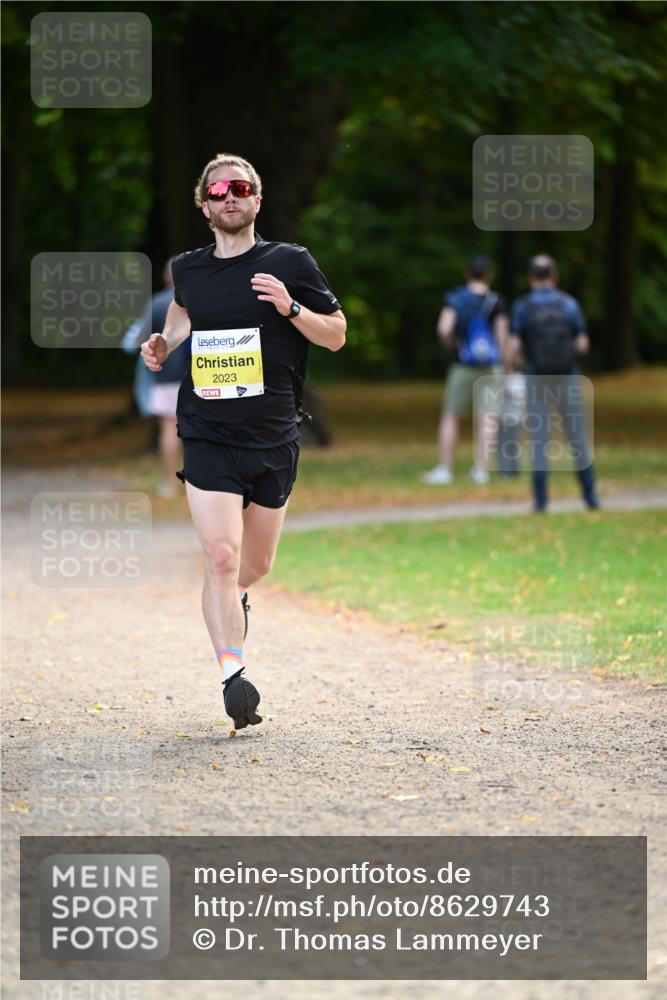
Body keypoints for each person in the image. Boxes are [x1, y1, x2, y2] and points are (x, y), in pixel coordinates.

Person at [141, 153, 345, 728]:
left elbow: (336, 336)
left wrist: (291, 306)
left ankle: (233, 600)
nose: (230, 196)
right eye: (219, 190)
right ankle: (234, 674)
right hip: (207, 432)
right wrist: (164, 343)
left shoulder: (290, 262)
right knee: (221, 556)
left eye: (241, 187)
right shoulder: (188, 268)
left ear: (258, 198)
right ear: (204, 204)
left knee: (254, 564)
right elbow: (182, 316)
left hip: (274, 435)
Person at [509, 254, 599, 513]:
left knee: (539, 438)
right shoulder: (569, 304)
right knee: (577, 436)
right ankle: (590, 497)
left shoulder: (523, 306)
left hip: (536, 377)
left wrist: (517, 365)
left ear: (530, 277)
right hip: (567, 376)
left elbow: (514, 346)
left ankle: (540, 501)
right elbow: (582, 343)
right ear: (554, 276)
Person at [423, 254, 509, 485]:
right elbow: (502, 337)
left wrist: (453, 345)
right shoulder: (496, 300)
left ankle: (445, 469)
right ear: (489, 275)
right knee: (487, 417)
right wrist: (505, 365)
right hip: (490, 365)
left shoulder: (456, 299)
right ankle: (480, 470)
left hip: (462, 364)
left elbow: (443, 329)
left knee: (451, 415)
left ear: (467, 273)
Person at [123, 258, 191, 496]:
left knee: (169, 429)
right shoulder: (199, 299)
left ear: (165, 278)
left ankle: (170, 484)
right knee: (200, 429)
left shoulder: (156, 303)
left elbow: (131, 342)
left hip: (165, 376)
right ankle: (198, 484)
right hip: (200, 375)